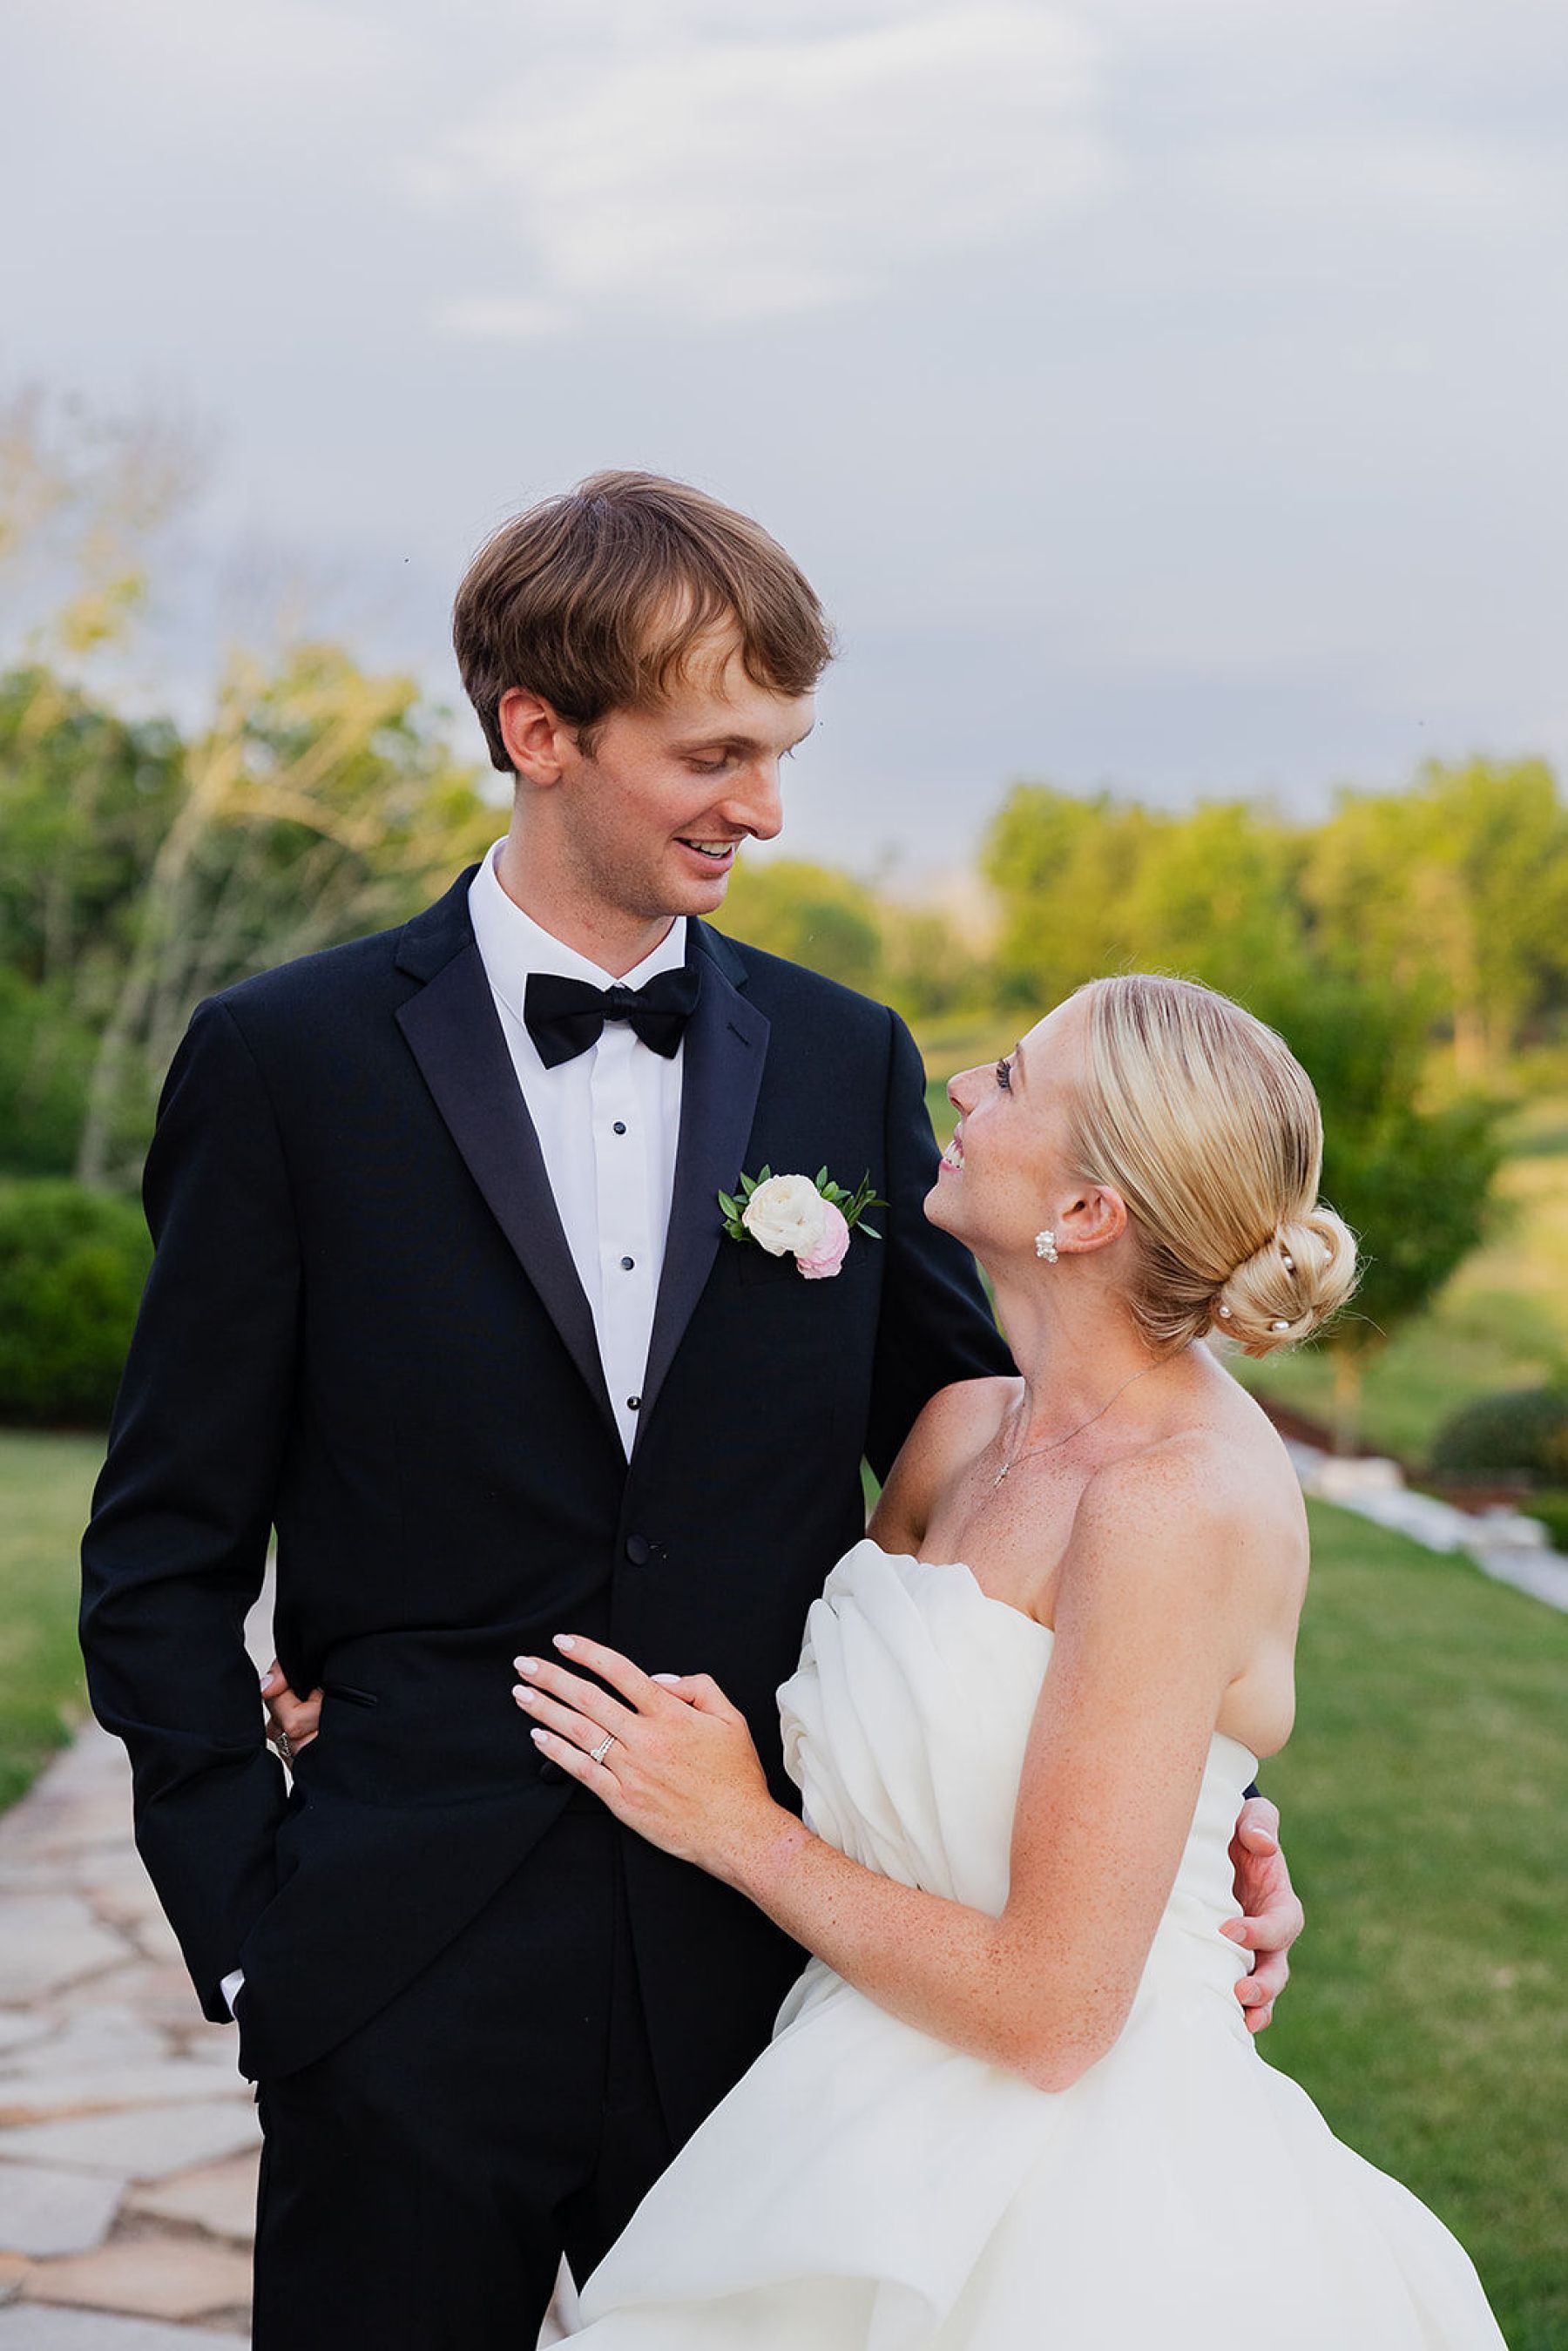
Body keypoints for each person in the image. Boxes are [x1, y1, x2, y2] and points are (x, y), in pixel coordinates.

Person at [79, 475, 1301, 2351]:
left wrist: (1196, 1813)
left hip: (781, 1998)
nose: (768, 808)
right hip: (395, 1968)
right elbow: (160, 1551)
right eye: (717, 752)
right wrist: (254, 1930)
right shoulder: (284, 1064)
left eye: (785, 751)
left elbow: (1042, 1469)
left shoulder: (839, 1058)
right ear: (539, 733)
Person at [517, 974, 1506, 2348]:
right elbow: (925, 1762)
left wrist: (735, 1827)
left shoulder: (1176, 1502)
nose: (964, 1092)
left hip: (1074, 2195)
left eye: (1014, 1080)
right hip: (835, 2106)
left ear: (1088, 1214)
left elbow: (1053, 2013)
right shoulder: (960, 1432)